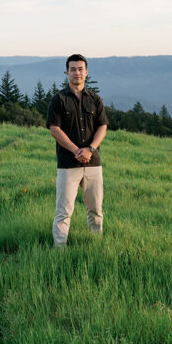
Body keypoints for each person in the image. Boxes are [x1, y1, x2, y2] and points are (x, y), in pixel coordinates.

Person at [46, 54, 108, 247]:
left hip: (93, 163)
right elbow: (54, 129)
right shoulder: (58, 100)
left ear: (86, 73)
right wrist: (76, 151)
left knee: (96, 209)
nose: (77, 73)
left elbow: (102, 127)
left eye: (80, 69)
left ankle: (95, 245)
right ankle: (59, 251)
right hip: (68, 165)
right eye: (73, 69)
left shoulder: (95, 99)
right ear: (67, 73)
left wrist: (90, 149)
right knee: (63, 211)